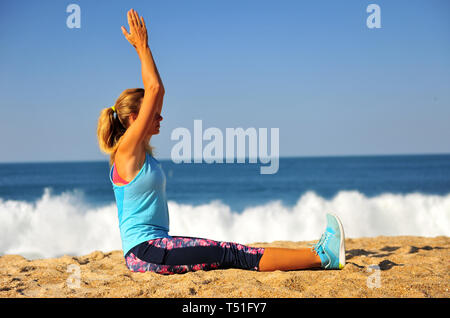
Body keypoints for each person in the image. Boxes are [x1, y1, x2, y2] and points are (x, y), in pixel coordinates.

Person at [96, 9, 346, 275]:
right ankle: (323, 257)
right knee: (232, 253)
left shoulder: (138, 150)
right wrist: (143, 48)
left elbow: (159, 91)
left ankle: (318, 253)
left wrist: (144, 53)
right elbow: (154, 88)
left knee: (232, 251)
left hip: (156, 247)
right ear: (135, 118)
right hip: (146, 252)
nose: (161, 116)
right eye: (152, 113)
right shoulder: (126, 151)